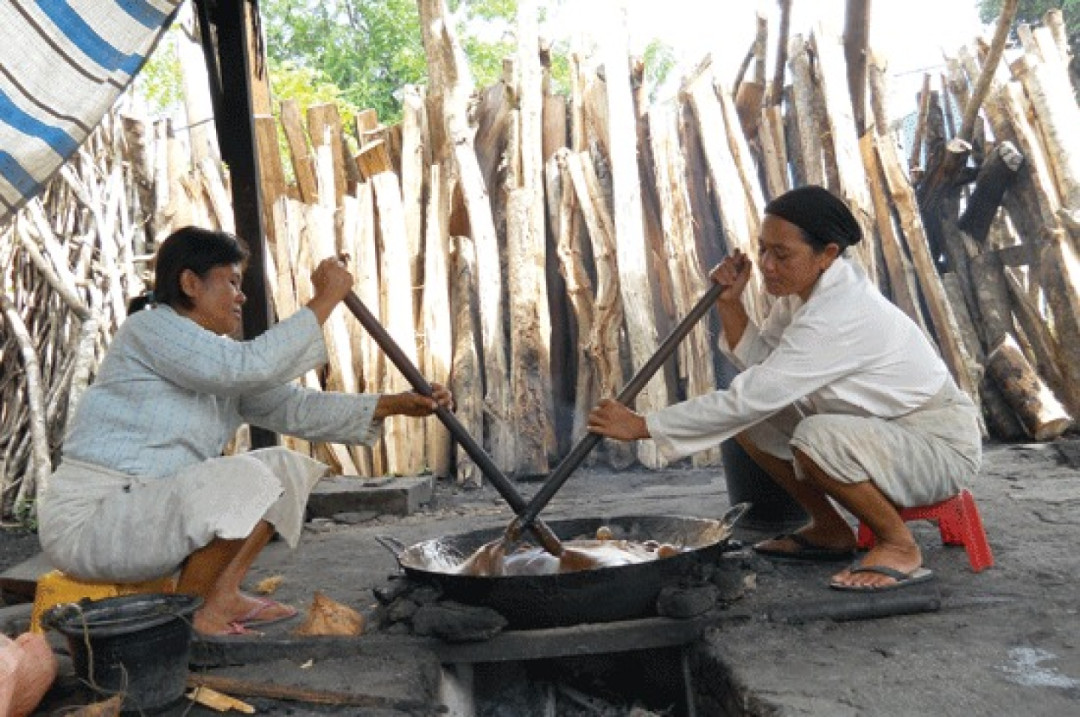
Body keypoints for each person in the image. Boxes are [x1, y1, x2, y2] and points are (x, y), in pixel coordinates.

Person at [38, 226, 452, 636]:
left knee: (283, 469)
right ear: (189, 283)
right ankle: (187, 620)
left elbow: (294, 406)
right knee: (244, 480)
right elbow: (249, 366)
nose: (242, 296)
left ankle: (223, 596)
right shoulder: (149, 330)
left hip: (141, 511)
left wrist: (394, 405)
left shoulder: (218, 362)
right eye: (231, 282)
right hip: (93, 520)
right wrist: (325, 299)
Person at [588, 185, 982, 592]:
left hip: (938, 447)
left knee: (814, 436)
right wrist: (730, 303)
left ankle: (899, 546)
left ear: (827, 254)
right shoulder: (804, 296)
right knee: (757, 422)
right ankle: (829, 531)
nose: (766, 266)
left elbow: (756, 392)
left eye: (782, 254)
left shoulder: (839, 314)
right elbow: (765, 368)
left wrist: (643, 425)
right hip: (882, 435)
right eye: (762, 250)